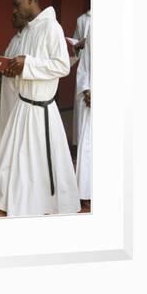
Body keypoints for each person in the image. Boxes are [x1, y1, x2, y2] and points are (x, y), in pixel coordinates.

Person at [0, 0, 80, 217]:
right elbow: (22, 64)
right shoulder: (29, 30)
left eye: (17, 4)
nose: (15, 10)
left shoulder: (51, 27)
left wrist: (28, 64)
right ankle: (5, 203)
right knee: (13, 157)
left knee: (32, 162)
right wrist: (13, 69)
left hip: (40, 111)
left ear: (31, 0)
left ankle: (28, 204)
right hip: (23, 106)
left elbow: (63, 65)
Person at [0, 13, 27, 141]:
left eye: (16, 16)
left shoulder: (28, 38)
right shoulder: (15, 38)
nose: (12, 18)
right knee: (6, 120)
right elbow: (7, 57)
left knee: (17, 125)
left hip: (18, 89)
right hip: (8, 87)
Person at [75, 31, 91, 206]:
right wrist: (86, 89)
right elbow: (84, 66)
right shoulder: (93, 31)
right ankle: (86, 191)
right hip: (92, 100)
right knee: (88, 145)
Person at [72, 9, 91, 145]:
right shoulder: (81, 19)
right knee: (82, 109)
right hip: (85, 69)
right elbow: (76, 43)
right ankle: (80, 145)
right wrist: (78, 46)